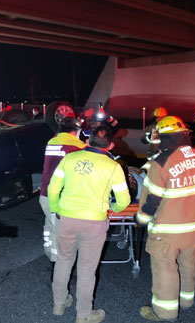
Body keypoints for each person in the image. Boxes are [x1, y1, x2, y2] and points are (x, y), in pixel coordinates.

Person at [48, 126, 131, 323]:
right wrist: (113, 210)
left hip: (66, 218)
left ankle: (59, 304)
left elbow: (53, 188)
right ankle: (84, 315)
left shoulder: (69, 159)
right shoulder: (113, 166)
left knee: (63, 261)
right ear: (110, 145)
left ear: (87, 141)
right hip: (94, 222)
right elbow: (124, 200)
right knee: (86, 270)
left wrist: (56, 209)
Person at [136, 116, 195, 321]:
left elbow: (151, 200)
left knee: (166, 268)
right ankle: (186, 301)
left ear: (164, 138)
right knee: (189, 264)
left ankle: (164, 312)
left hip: (167, 232)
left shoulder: (160, 162)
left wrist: (141, 220)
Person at [39, 117, 86, 262]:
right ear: (76, 131)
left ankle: (50, 253)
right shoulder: (79, 146)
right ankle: (57, 263)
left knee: (50, 225)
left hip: (45, 194)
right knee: (62, 233)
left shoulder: (51, 142)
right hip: (61, 197)